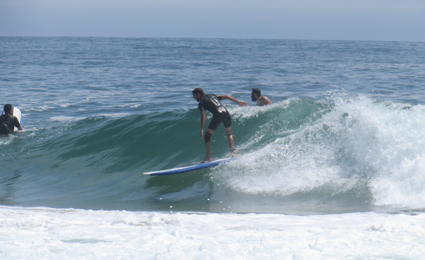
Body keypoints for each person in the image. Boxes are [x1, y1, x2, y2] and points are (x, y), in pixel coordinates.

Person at [192, 88, 247, 163]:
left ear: (198, 94)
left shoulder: (201, 102)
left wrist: (201, 129)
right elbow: (227, 96)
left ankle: (208, 157)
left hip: (218, 114)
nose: (193, 97)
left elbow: (203, 116)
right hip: (226, 113)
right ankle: (233, 153)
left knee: (207, 136)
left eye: (194, 95)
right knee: (229, 133)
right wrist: (239, 102)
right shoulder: (212, 96)